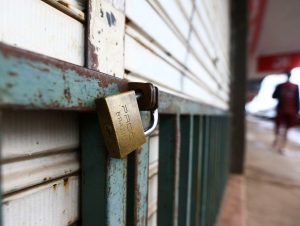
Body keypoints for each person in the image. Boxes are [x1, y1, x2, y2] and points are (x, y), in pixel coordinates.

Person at [272, 70, 299, 153]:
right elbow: (297, 100)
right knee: (286, 129)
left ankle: (276, 140)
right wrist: (297, 111)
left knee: (278, 127)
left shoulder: (280, 86)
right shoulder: (295, 86)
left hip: (281, 110)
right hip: (291, 111)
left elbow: (273, 96)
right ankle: (282, 146)